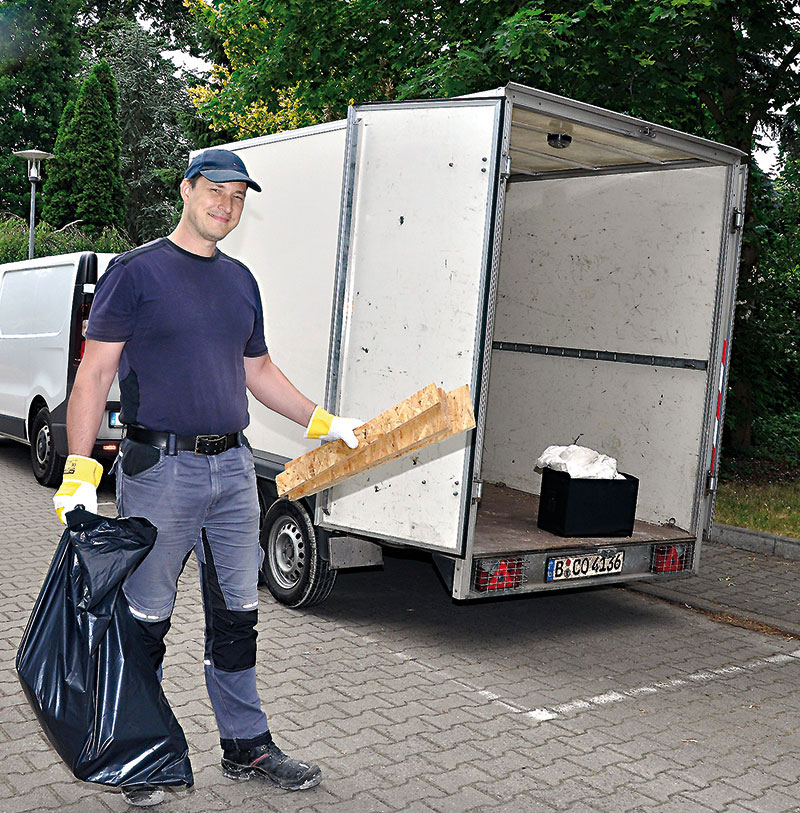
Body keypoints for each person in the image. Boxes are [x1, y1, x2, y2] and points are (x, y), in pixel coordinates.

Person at [52, 149, 362, 807]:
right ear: (187, 189)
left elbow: (259, 371)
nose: (227, 203)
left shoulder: (240, 281)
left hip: (233, 469)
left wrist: (324, 421)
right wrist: (79, 473)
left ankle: (245, 744)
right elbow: (94, 375)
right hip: (160, 469)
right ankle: (135, 751)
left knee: (238, 613)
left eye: (239, 196)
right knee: (145, 616)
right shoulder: (135, 273)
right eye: (215, 190)